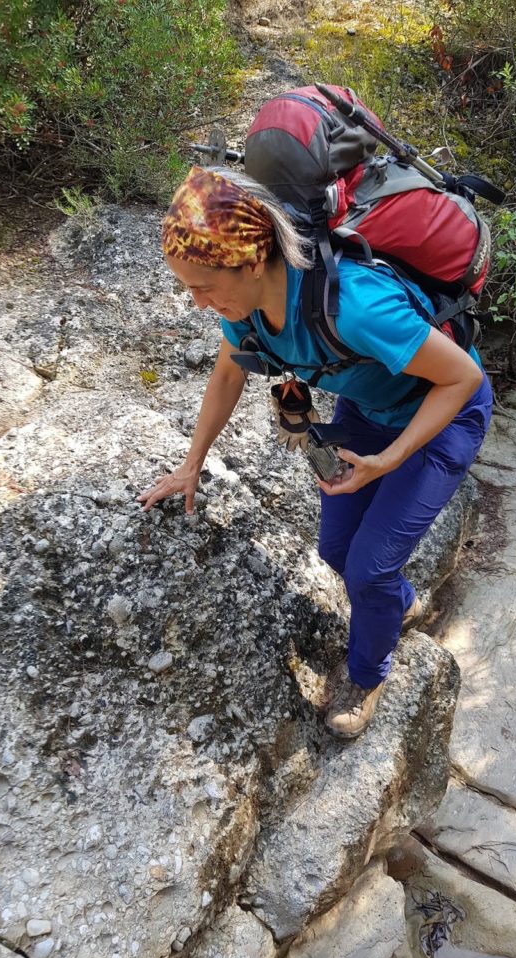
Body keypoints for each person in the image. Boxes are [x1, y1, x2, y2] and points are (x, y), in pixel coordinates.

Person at [137, 166, 492, 739]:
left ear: (254, 261)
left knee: (369, 568)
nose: (198, 303)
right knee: (335, 551)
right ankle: (397, 603)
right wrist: (191, 464)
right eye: (188, 289)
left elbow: (463, 380)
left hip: (440, 418)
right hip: (366, 413)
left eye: (204, 287)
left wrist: (393, 456)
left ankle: (366, 676)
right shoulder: (248, 308)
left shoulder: (354, 304)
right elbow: (228, 375)